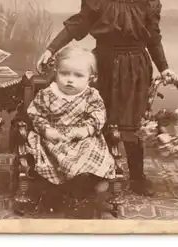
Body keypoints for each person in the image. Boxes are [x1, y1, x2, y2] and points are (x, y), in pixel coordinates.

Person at [36, 0, 177, 197]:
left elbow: (153, 40)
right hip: (104, 65)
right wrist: (51, 49)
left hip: (135, 68)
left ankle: (137, 176)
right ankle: (94, 171)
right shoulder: (97, 1)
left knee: (133, 125)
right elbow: (76, 27)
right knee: (97, 118)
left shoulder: (147, 4)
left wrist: (164, 68)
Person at [25, 45, 117, 217]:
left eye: (78, 75)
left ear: (91, 78)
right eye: (64, 73)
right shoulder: (47, 94)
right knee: (54, 155)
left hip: (82, 137)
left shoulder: (91, 96)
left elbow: (98, 116)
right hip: (55, 137)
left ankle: (83, 190)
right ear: (56, 71)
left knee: (90, 150)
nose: (70, 80)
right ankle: (64, 192)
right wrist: (46, 130)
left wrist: (86, 130)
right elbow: (35, 115)